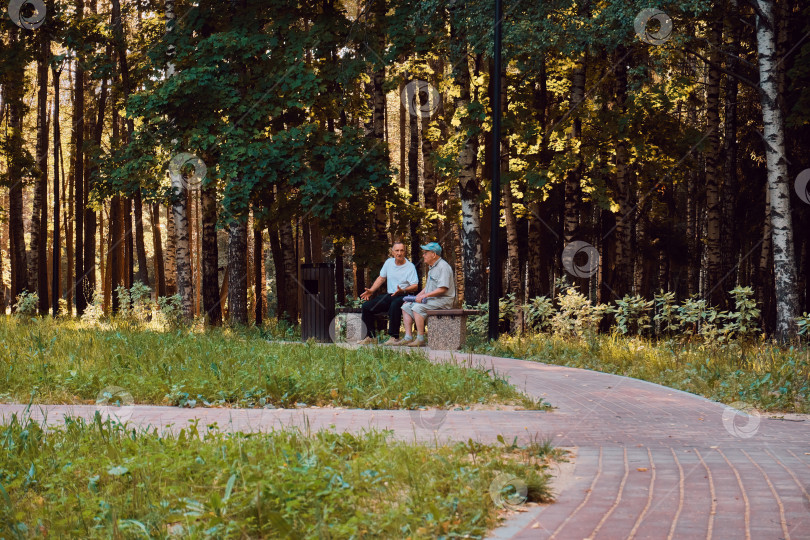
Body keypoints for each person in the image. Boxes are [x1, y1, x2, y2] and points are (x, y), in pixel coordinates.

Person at [356, 241, 419, 345]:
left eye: (402, 250)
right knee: (367, 306)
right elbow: (381, 278)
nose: (399, 253)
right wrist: (371, 290)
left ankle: (394, 337)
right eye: (397, 250)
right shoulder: (389, 263)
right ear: (393, 252)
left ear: (405, 252)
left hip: (404, 295)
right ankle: (371, 337)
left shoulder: (410, 266)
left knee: (395, 305)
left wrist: (403, 290)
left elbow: (415, 286)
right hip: (390, 295)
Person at [400, 242, 455, 347]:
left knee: (417, 308)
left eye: (425, 253)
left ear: (434, 254)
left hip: (444, 300)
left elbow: (443, 289)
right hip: (433, 300)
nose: (423, 255)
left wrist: (424, 296)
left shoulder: (443, 267)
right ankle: (408, 337)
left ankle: (420, 339)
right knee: (406, 306)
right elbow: (428, 288)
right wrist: (415, 297)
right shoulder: (432, 267)